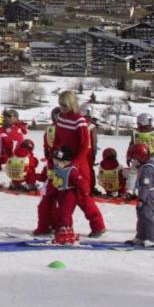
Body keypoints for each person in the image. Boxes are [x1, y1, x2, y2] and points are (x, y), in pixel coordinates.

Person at [52, 90, 105, 236]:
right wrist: (55, 155)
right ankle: (64, 227)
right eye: (61, 106)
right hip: (63, 162)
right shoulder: (61, 118)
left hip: (78, 165)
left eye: (65, 106)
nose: (63, 109)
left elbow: (84, 146)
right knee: (64, 198)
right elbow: (57, 139)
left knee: (83, 198)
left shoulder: (79, 121)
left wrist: (75, 163)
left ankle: (97, 225)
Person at [124, 143, 154, 247]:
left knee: (147, 216)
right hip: (144, 193)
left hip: (148, 195)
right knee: (141, 215)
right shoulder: (143, 166)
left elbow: (146, 185)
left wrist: (141, 199)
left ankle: (153, 238)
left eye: (136, 158)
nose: (135, 161)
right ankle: (141, 236)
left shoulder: (147, 169)